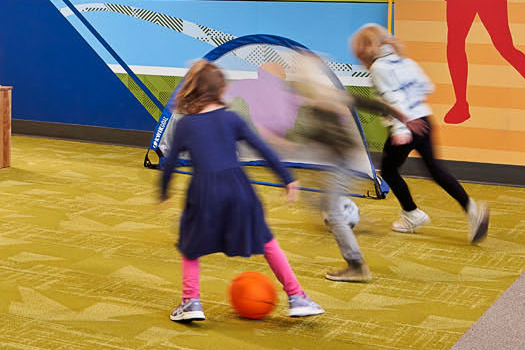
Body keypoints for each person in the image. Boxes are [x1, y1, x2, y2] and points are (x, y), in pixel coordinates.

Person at [158, 60, 323, 322]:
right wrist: (287, 178)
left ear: (192, 90)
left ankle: (191, 302)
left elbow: (170, 162)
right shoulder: (232, 118)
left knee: (191, 248)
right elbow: (263, 148)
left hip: (203, 192)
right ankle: (297, 297)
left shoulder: (186, 125)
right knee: (267, 242)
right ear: (221, 89)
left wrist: (163, 192)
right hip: (239, 189)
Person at [351, 24, 490, 242]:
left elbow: (392, 99)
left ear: (364, 51)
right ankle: (472, 209)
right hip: (424, 119)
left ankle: (412, 214)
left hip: (405, 126)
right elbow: (427, 87)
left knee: (388, 171)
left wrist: (400, 129)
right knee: (435, 169)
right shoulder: (405, 61)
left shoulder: (379, 68)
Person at [282, 64, 411, 283]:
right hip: (338, 160)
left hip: (341, 161)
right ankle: (362, 225)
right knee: (320, 201)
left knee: (333, 214)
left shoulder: (325, 98)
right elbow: (362, 103)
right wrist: (391, 110)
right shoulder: (322, 100)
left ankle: (356, 265)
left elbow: (331, 129)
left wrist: (294, 144)